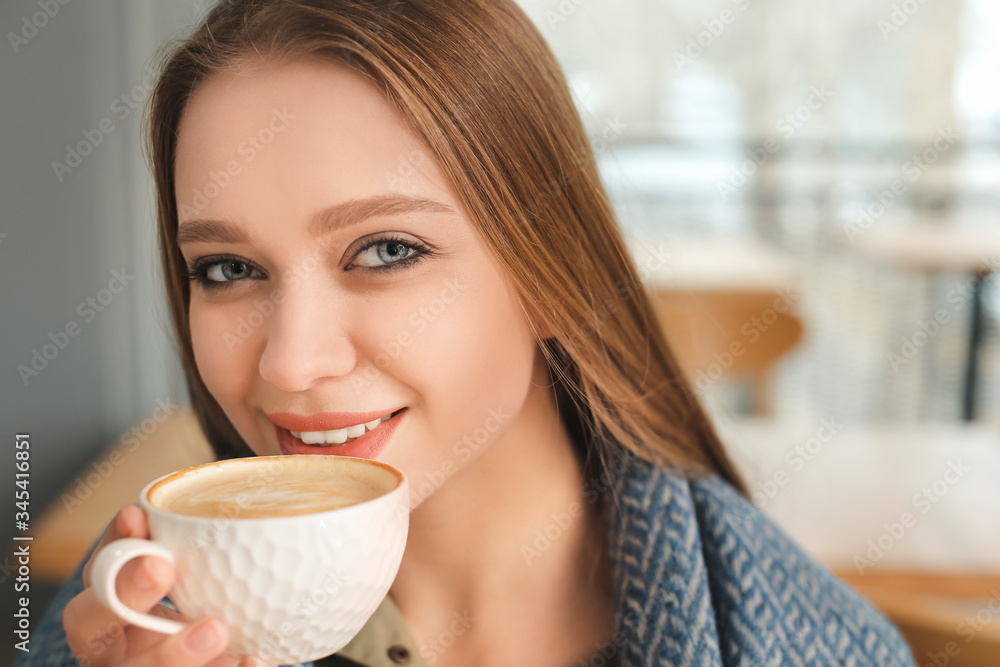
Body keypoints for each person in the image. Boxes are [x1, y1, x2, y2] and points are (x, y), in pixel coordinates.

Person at [20, 1, 917, 666]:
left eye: (386, 249)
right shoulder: (126, 620)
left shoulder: (816, 644)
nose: (291, 362)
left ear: (552, 275)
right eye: (227, 269)